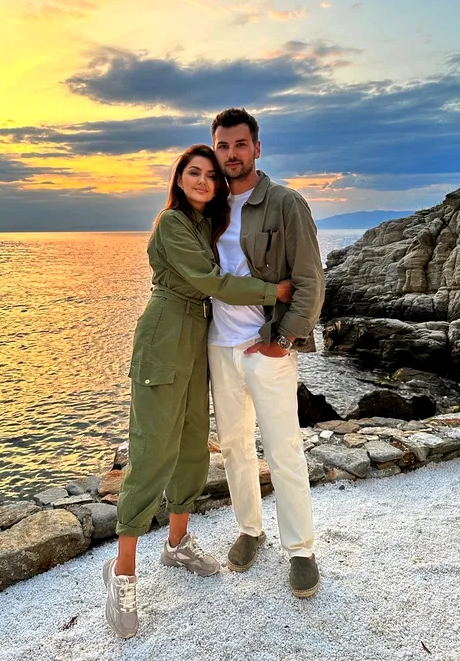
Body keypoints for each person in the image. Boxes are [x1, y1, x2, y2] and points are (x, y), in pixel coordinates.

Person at [103, 144, 294, 639]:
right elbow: (211, 280)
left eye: (211, 174)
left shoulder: (206, 224)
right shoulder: (171, 223)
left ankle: (177, 543)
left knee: (191, 445)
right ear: (179, 177)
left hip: (197, 336)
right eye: (195, 172)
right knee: (152, 450)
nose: (204, 180)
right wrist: (272, 292)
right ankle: (122, 572)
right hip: (166, 334)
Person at [208, 108, 326, 598]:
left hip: (266, 346)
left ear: (257, 148)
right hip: (219, 345)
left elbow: (310, 280)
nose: (231, 154)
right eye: (223, 145)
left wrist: (283, 342)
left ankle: (300, 550)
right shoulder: (208, 206)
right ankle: (250, 529)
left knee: (283, 448)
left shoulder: (284, 202)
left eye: (240, 144)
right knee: (235, 446)